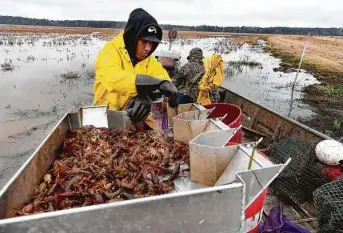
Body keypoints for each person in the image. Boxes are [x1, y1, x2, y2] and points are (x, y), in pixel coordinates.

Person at [93, 8, 179, 124]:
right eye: (144, 42)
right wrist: (155, 84)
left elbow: (160, 75)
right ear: (132, 37)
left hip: (133, 116)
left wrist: (163, 89)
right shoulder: (109, 51)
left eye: (152, 43)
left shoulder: (148, 59)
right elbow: (113, 78)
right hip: (106, 117)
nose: (148, 48)